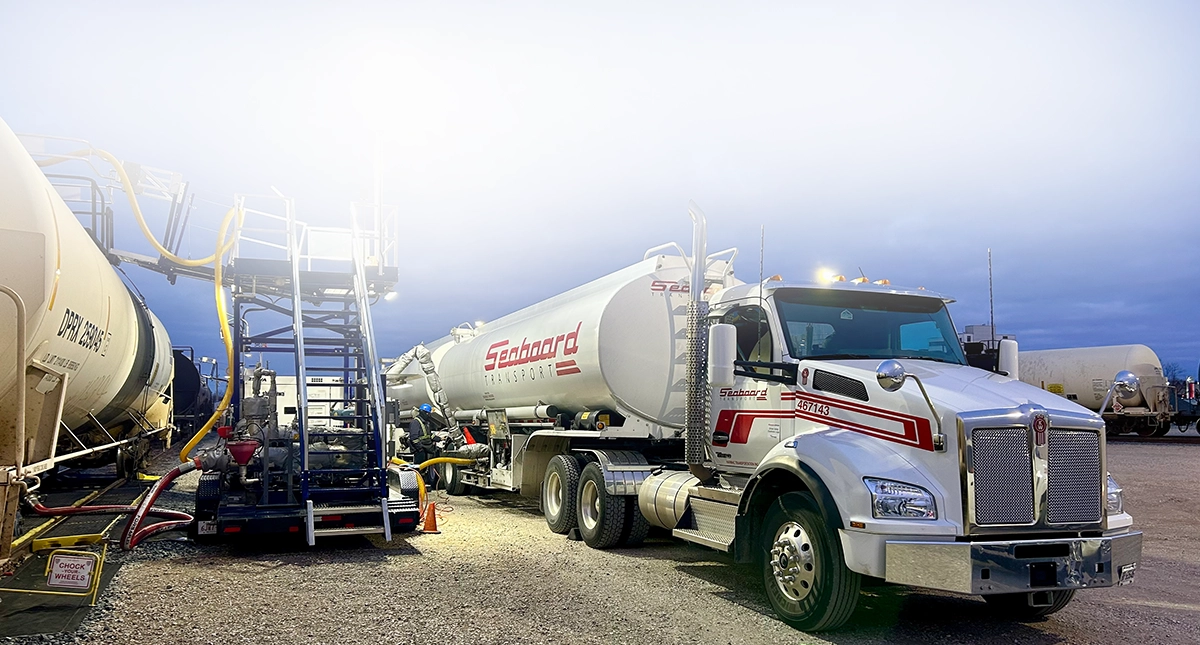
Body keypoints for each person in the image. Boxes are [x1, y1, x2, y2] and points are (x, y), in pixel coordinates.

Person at [408, 404, 439, 483]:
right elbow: (414, 438)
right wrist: (420, 448)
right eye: (427, 413)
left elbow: (429, 435)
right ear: (423, 412)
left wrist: (438, 439)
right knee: (419, 467)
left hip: (425, 448)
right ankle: (417, 483)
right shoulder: (416, 422)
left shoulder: (426, 423)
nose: (428, 415)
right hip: (419, 449)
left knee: (424, 468)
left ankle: (422, 482)